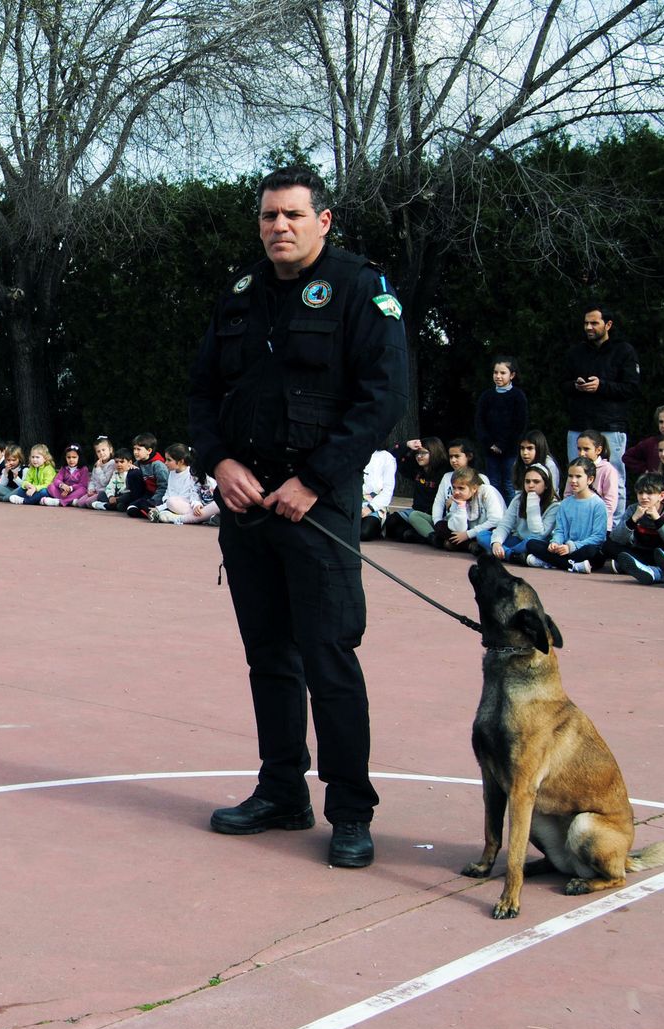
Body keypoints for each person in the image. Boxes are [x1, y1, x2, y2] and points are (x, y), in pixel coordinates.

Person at [187, 165, 407, 868]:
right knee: (269, 657)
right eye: (268, 216)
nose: (278, 226)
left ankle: (351, 811)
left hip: (318, 509)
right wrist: (218, 461)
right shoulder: (241, 295)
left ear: (324, 220)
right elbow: (202, 392)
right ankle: (281, 790)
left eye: (292, 214)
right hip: (248, 509)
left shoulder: (359, 289)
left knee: (329, 657)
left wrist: (313, 479)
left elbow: (383, 398)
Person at [562, 304, 639, 507]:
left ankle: (614, 524)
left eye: (594, 323)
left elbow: (631, 388)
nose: (589, 327)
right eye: (586, 323)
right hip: (579, 425)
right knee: (575, 476)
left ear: (608, 325)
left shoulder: (623, 351)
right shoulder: (576, 352)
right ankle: (575, 518)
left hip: (611, 425)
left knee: (615, 478)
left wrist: (602, 386)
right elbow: (561, 385)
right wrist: (576, 385)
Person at [525, 457, 610, 572]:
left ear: (590, 479)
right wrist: (555, 543)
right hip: (564, 550)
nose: (573, 480)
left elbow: (598, 537)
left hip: (583, 550)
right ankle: (572, 565)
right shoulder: (565, 504)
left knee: (591, 551)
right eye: (570, 476)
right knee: (531, 544)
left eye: (578, 476)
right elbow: (560, 530)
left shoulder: (598, 504)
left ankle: (552, 562)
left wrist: (571, 547)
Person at [473, 358, 528, 492]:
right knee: (493, 483)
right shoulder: (487, 396)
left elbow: (520, 424)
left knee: (510, 484)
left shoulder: (518, 396)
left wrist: (502, 445)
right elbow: (480, 422)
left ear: (512, 375)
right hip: (490, 450)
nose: (498, 376)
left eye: (503, 373)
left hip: (510, 449)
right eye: (495, 372)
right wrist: (490, 444)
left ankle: (511, 507)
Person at [489, 463, 559, 563]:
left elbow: (539, 534)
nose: (531, 485)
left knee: (532, 543)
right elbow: (505, 524)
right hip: (518, 539)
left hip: (534, 543)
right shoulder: (518, 499)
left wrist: (532, 503)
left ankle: (505, 553)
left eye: (536, 482)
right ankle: (512, 555)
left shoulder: (554, 505)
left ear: (546, 485)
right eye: (527, 481)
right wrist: (496, 543)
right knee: (483, 535)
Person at [427, 467, 503, 553]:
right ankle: (470, 545)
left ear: (474, 488)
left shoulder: (487, 491)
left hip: (487, 531)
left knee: (483, 536)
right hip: (468, 532)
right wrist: (461, 507)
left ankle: (463, 545)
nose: (456, 492)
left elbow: (496, 520)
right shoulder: (457, 497)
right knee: (440, 526)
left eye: (461, 488)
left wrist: (468, 534)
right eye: (454, 488)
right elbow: (457, 529)